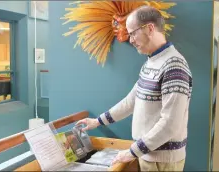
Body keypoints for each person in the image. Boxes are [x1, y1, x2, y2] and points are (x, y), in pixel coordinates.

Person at [76, 5, 192, 171]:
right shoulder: (151, 62)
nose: (130, 39)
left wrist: (132, 152)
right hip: (148, 155)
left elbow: (170, 124)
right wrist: (97, 121)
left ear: (150, 28)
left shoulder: (174, 66)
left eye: (132, 33)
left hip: (162, 161)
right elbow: (131, 101)